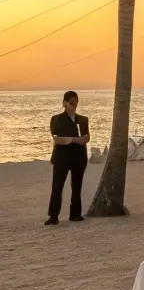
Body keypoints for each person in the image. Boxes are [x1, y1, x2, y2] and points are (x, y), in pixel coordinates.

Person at [47, 90, 89, 224]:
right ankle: (53, 216)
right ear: (64, 103)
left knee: (77, 187)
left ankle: (75, 214)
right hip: (61, 157)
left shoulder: (82, 120)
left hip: (79, 157)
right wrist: (74, 139)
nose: (74, 105)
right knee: (57, 186)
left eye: (76, 103)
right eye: (71, 102)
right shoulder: (56, 119)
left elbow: (85, 139)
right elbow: (57, 139)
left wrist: (69, 140)